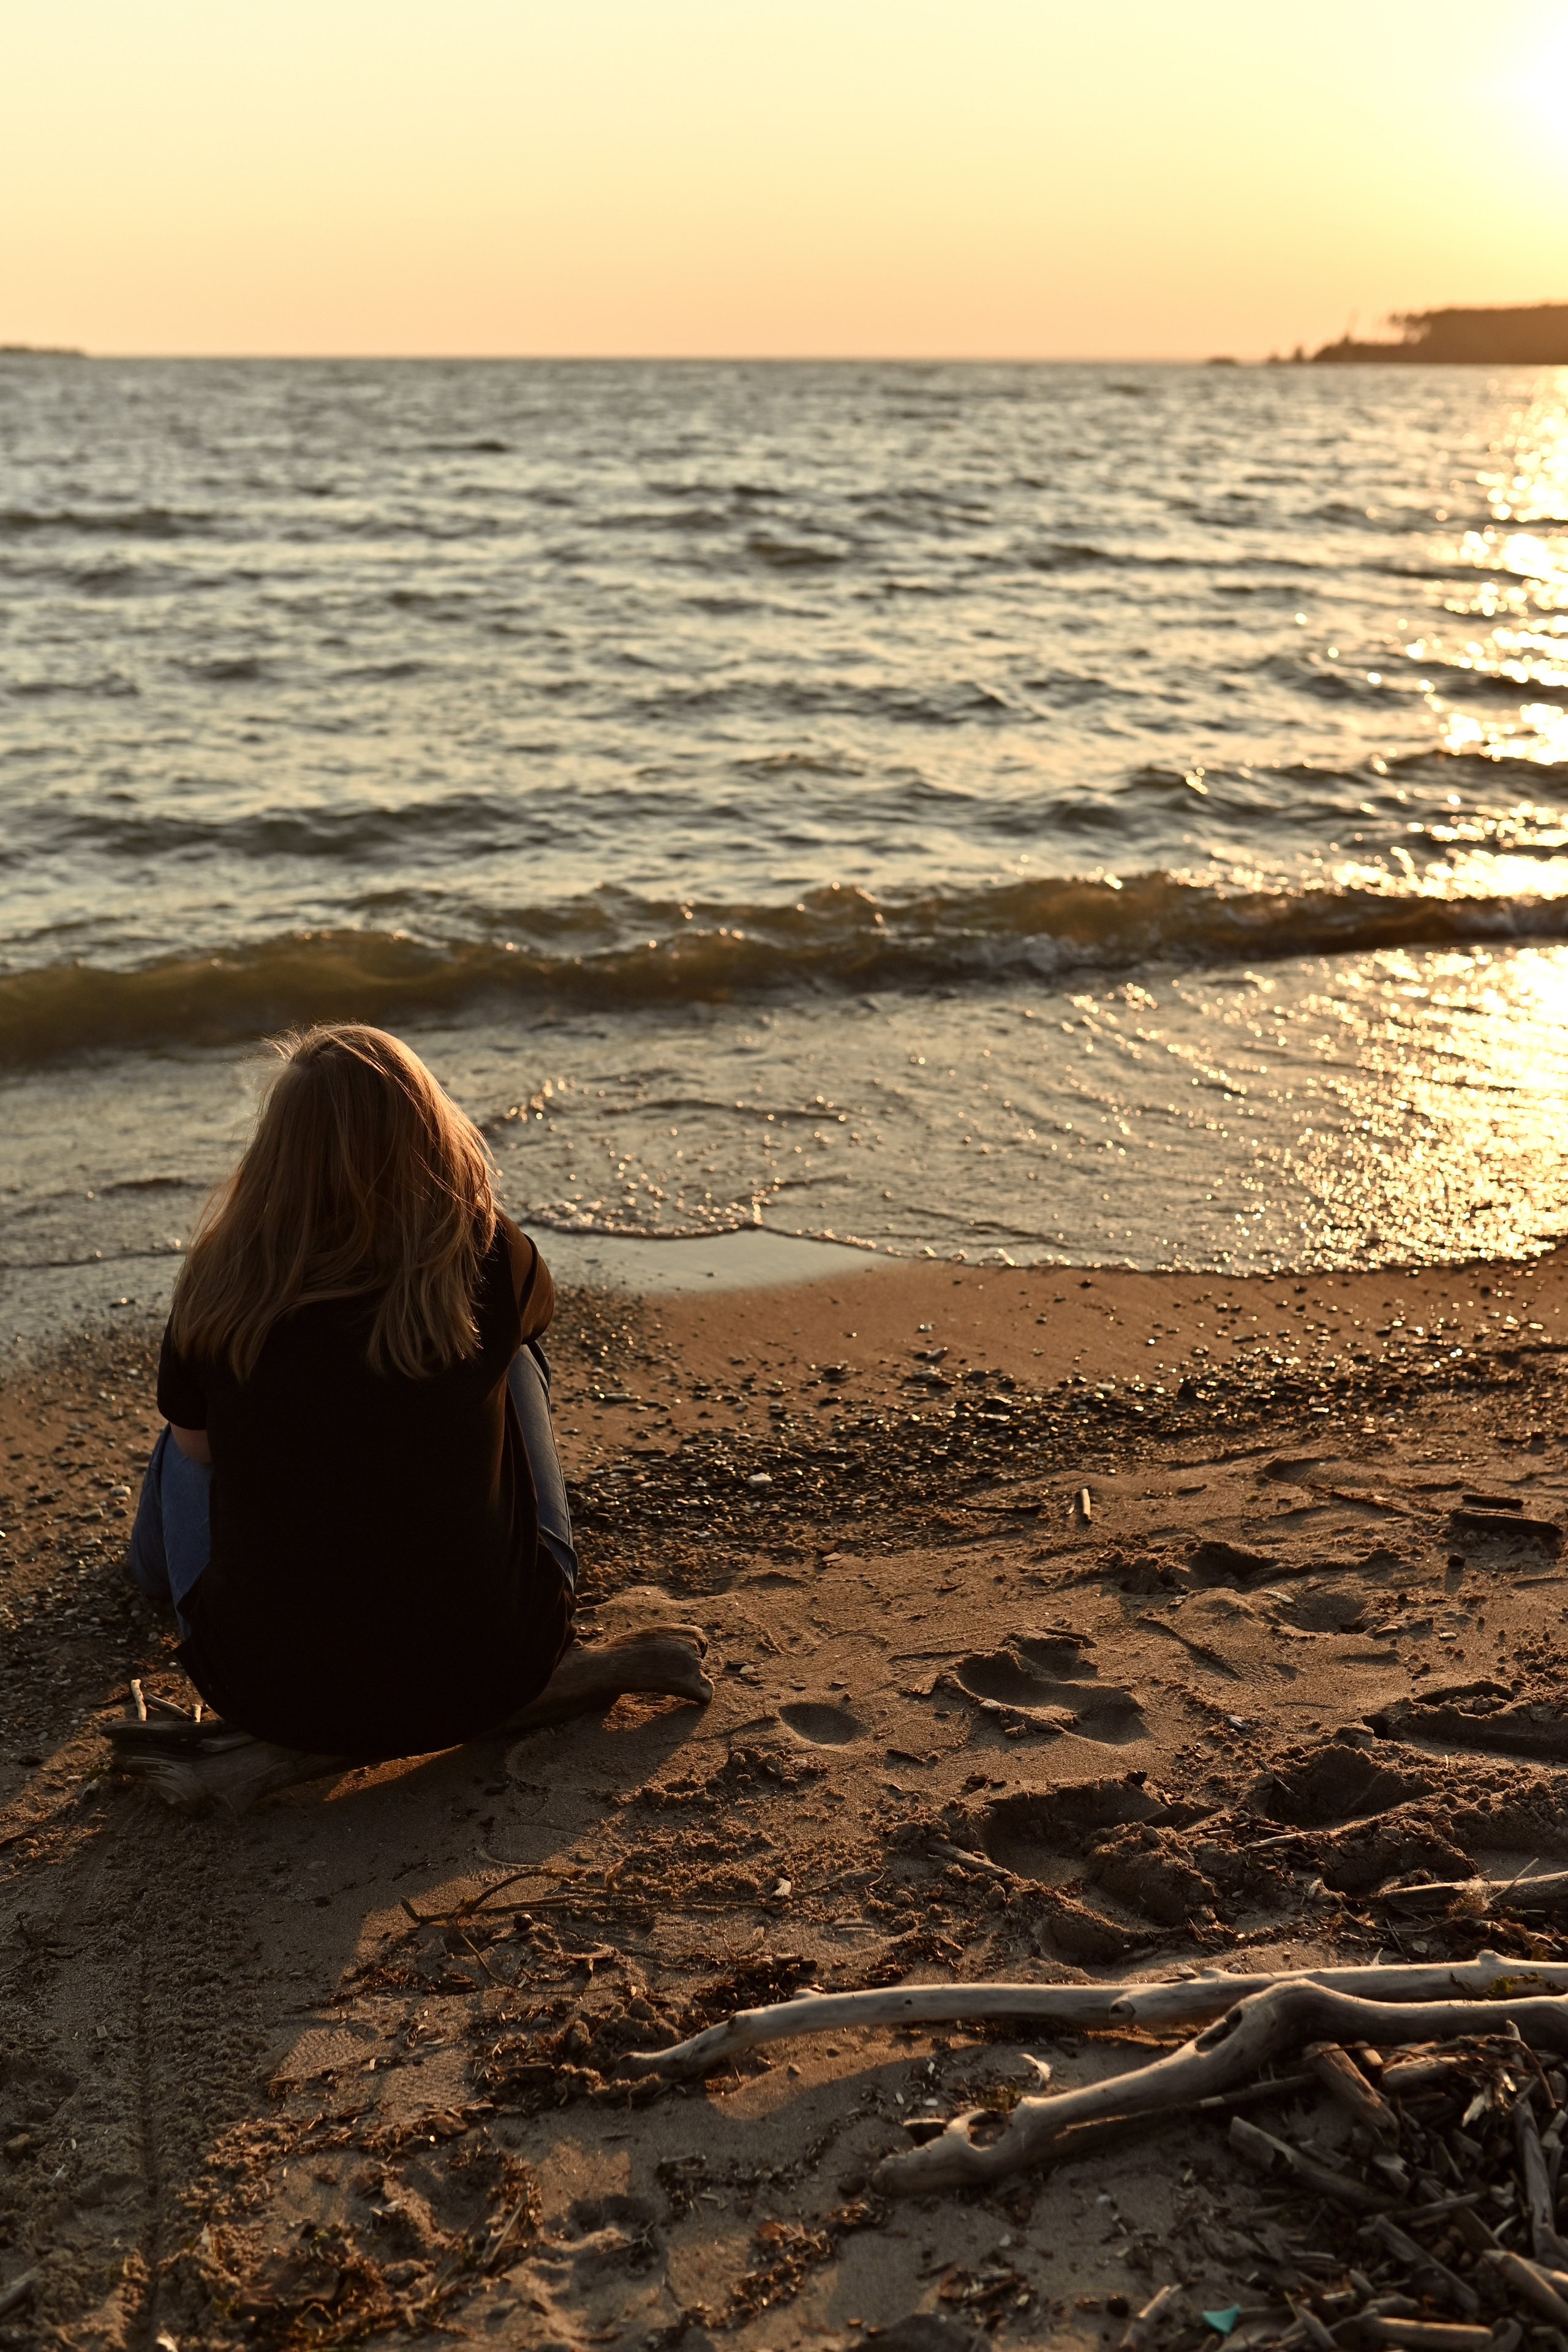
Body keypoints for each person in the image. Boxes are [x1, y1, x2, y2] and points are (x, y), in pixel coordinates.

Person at [127, 1023, 584, 1762]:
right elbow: (540, 1315)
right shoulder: (485, 1253)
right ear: (431, 1131)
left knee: (186, 1437)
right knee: (516, 1359)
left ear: (276, 1152)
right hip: (498, 1667)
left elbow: (200, 1450)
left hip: (271, 1694)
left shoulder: (220, 1281)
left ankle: (150, 1571)